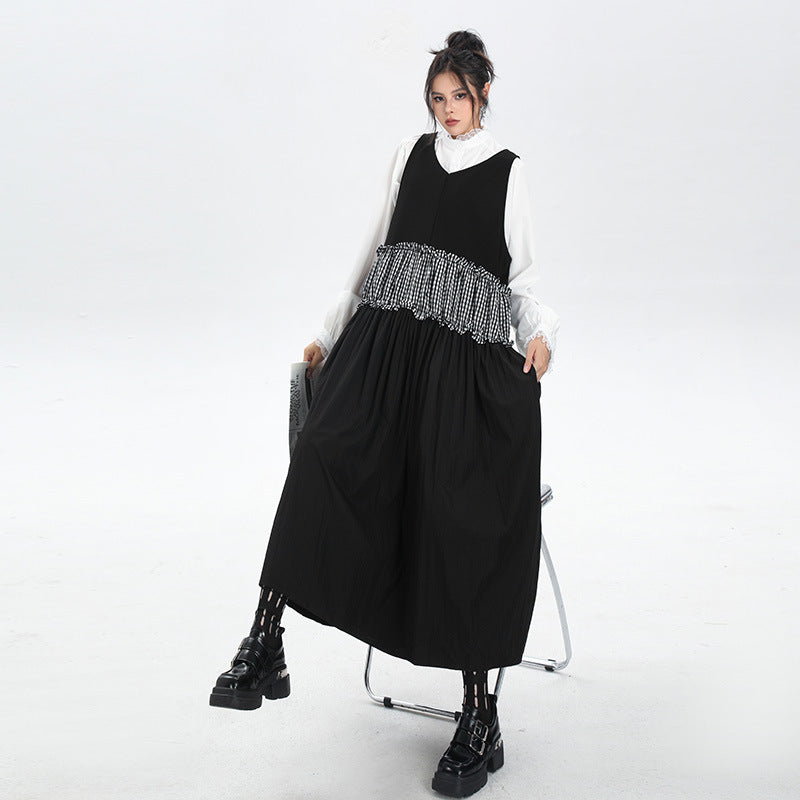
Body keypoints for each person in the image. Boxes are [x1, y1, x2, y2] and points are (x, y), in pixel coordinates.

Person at [209, 29, 560, 798]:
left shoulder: (509, 170)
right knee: (324, 454)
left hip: (459, 367)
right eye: (437, 98)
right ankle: (266, 640)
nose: (448, 110)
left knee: (458, 503)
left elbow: (524, 278)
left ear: (483, 94)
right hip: (383, 348)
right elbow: (369, 255)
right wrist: (327, 332)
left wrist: (540, 335)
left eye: (459, 96)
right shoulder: (409, 156)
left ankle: (480, 714)